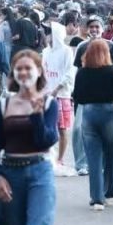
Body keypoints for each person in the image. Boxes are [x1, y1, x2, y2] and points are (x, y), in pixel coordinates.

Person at [0, 49, 60, 225]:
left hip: (40, 172)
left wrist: (37, 116)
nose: (24, 72)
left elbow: (47, 140)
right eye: (19, 68)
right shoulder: (4, 105)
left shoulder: (48, 104)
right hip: (10, 174)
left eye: (28, 68)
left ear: (39, 71)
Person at [73, 39, 113, 211]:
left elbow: (78, 97)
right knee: (112, 153)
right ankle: (109, 192)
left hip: (89, 113)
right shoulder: (111, 72)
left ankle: (97, 199)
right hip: (109, 113)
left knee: (93, 157)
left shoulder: (82, 73)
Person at [42, 21, 76, 176]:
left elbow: (69, 73)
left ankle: (60, 158)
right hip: (46, 95)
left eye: (48, 33)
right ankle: (49, 156)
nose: (46, 36)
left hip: (62, 95)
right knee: (47, 128)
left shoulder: (66, 51)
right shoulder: (46, 52)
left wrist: (56, 89)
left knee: (62, 129)